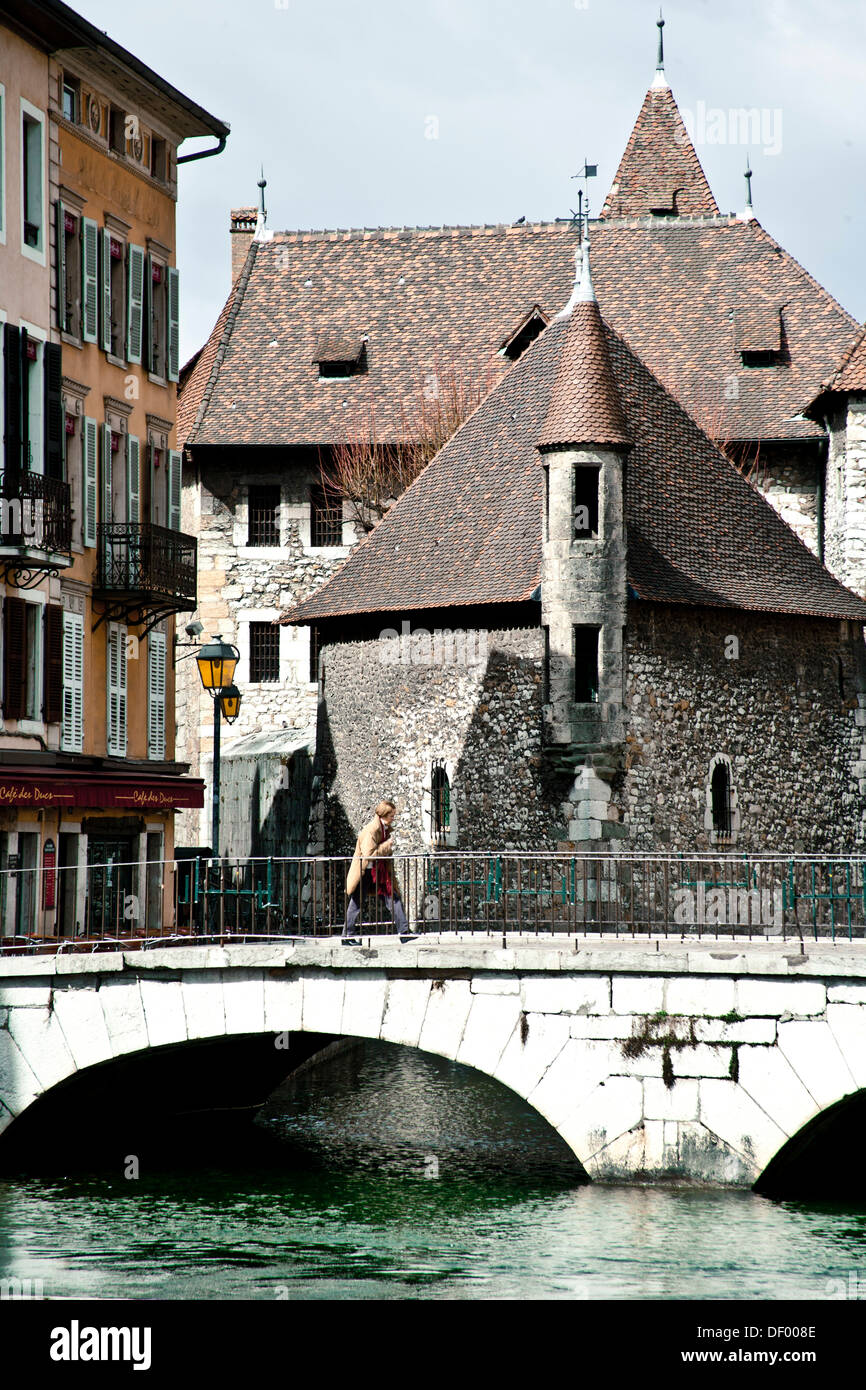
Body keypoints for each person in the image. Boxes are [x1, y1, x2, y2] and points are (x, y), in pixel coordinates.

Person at [342, 799, 416, 943]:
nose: (393, 818)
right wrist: (387, 846)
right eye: (392, 815)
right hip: (366, 873)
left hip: (378, 872)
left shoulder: (383, 828)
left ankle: (404, 932)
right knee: (356, 903)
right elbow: (369, 854)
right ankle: (347, 935)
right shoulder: (372, 830)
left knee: (393, 898)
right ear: (384, 815)